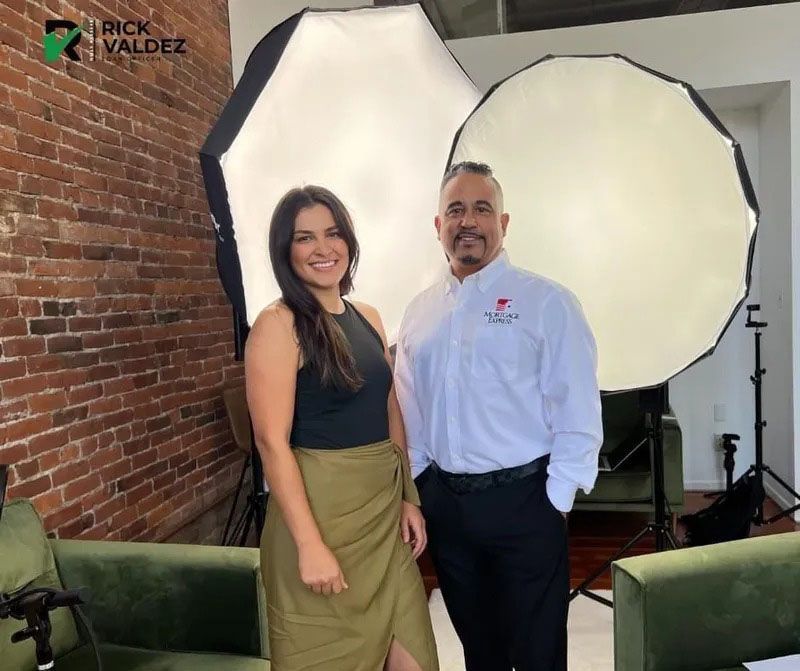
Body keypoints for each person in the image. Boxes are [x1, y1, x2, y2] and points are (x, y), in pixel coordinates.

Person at [394, 161, 603, 671]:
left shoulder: (547, 302)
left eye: (482, 209)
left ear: (503, 224)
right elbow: (410, 407)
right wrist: (421, 484)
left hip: (526, 502)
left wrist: (556, 498)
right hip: (449, 508)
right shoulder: (420, 311)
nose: (468, 221)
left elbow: (576, 405)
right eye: (456, 210)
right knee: (479, 649)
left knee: (537, 651)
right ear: (438, 225)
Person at [245, 185, 438, 671]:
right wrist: (310, 547)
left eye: (333, 234)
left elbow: (390, 407)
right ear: (285, 252)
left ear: (349, 242)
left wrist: (407, 497)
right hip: (321, 519)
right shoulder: (277, 324)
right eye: (304, 238)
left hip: (382, 518)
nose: (323, 248)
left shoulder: (368, 316)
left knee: (415, 659)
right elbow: (271, 443)